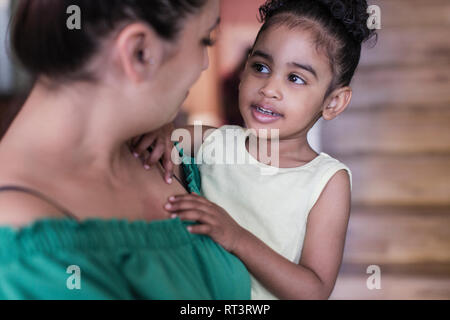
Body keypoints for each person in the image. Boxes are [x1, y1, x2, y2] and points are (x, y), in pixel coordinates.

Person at [0, 0, 251, 300]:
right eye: (204, 39)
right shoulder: (27, 260)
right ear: (140, 52)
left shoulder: (161, 149)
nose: (204, 63)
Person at [133, 0, 377, 299]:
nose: (269, 88)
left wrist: (235, 237)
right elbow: (163, 135)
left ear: (333, 102)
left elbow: (314, 290)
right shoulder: (213, 141)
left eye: (295, 78)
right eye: (260, 67)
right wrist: (161, 127)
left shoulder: (326, 181)